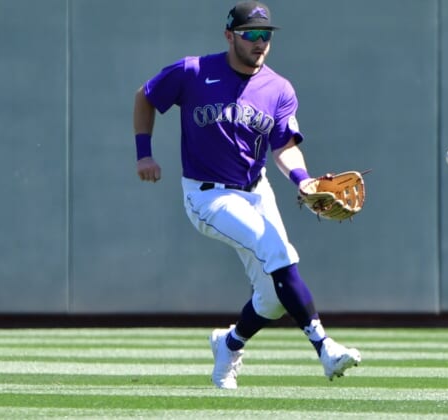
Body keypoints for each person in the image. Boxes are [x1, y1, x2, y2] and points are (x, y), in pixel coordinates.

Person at [133, 0, 361, 389]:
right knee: (278, 251)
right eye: (251, 34)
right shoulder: (193, 71)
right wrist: (144, 154)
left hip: (257, 191)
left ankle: (229, 344)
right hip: (208, 197)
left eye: (266, 35)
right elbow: (146, 96)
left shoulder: (279, 88)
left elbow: (284, 147)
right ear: (229, 36)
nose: (260, 42)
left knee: (272, 298)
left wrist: (303, 180)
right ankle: (324, 348)